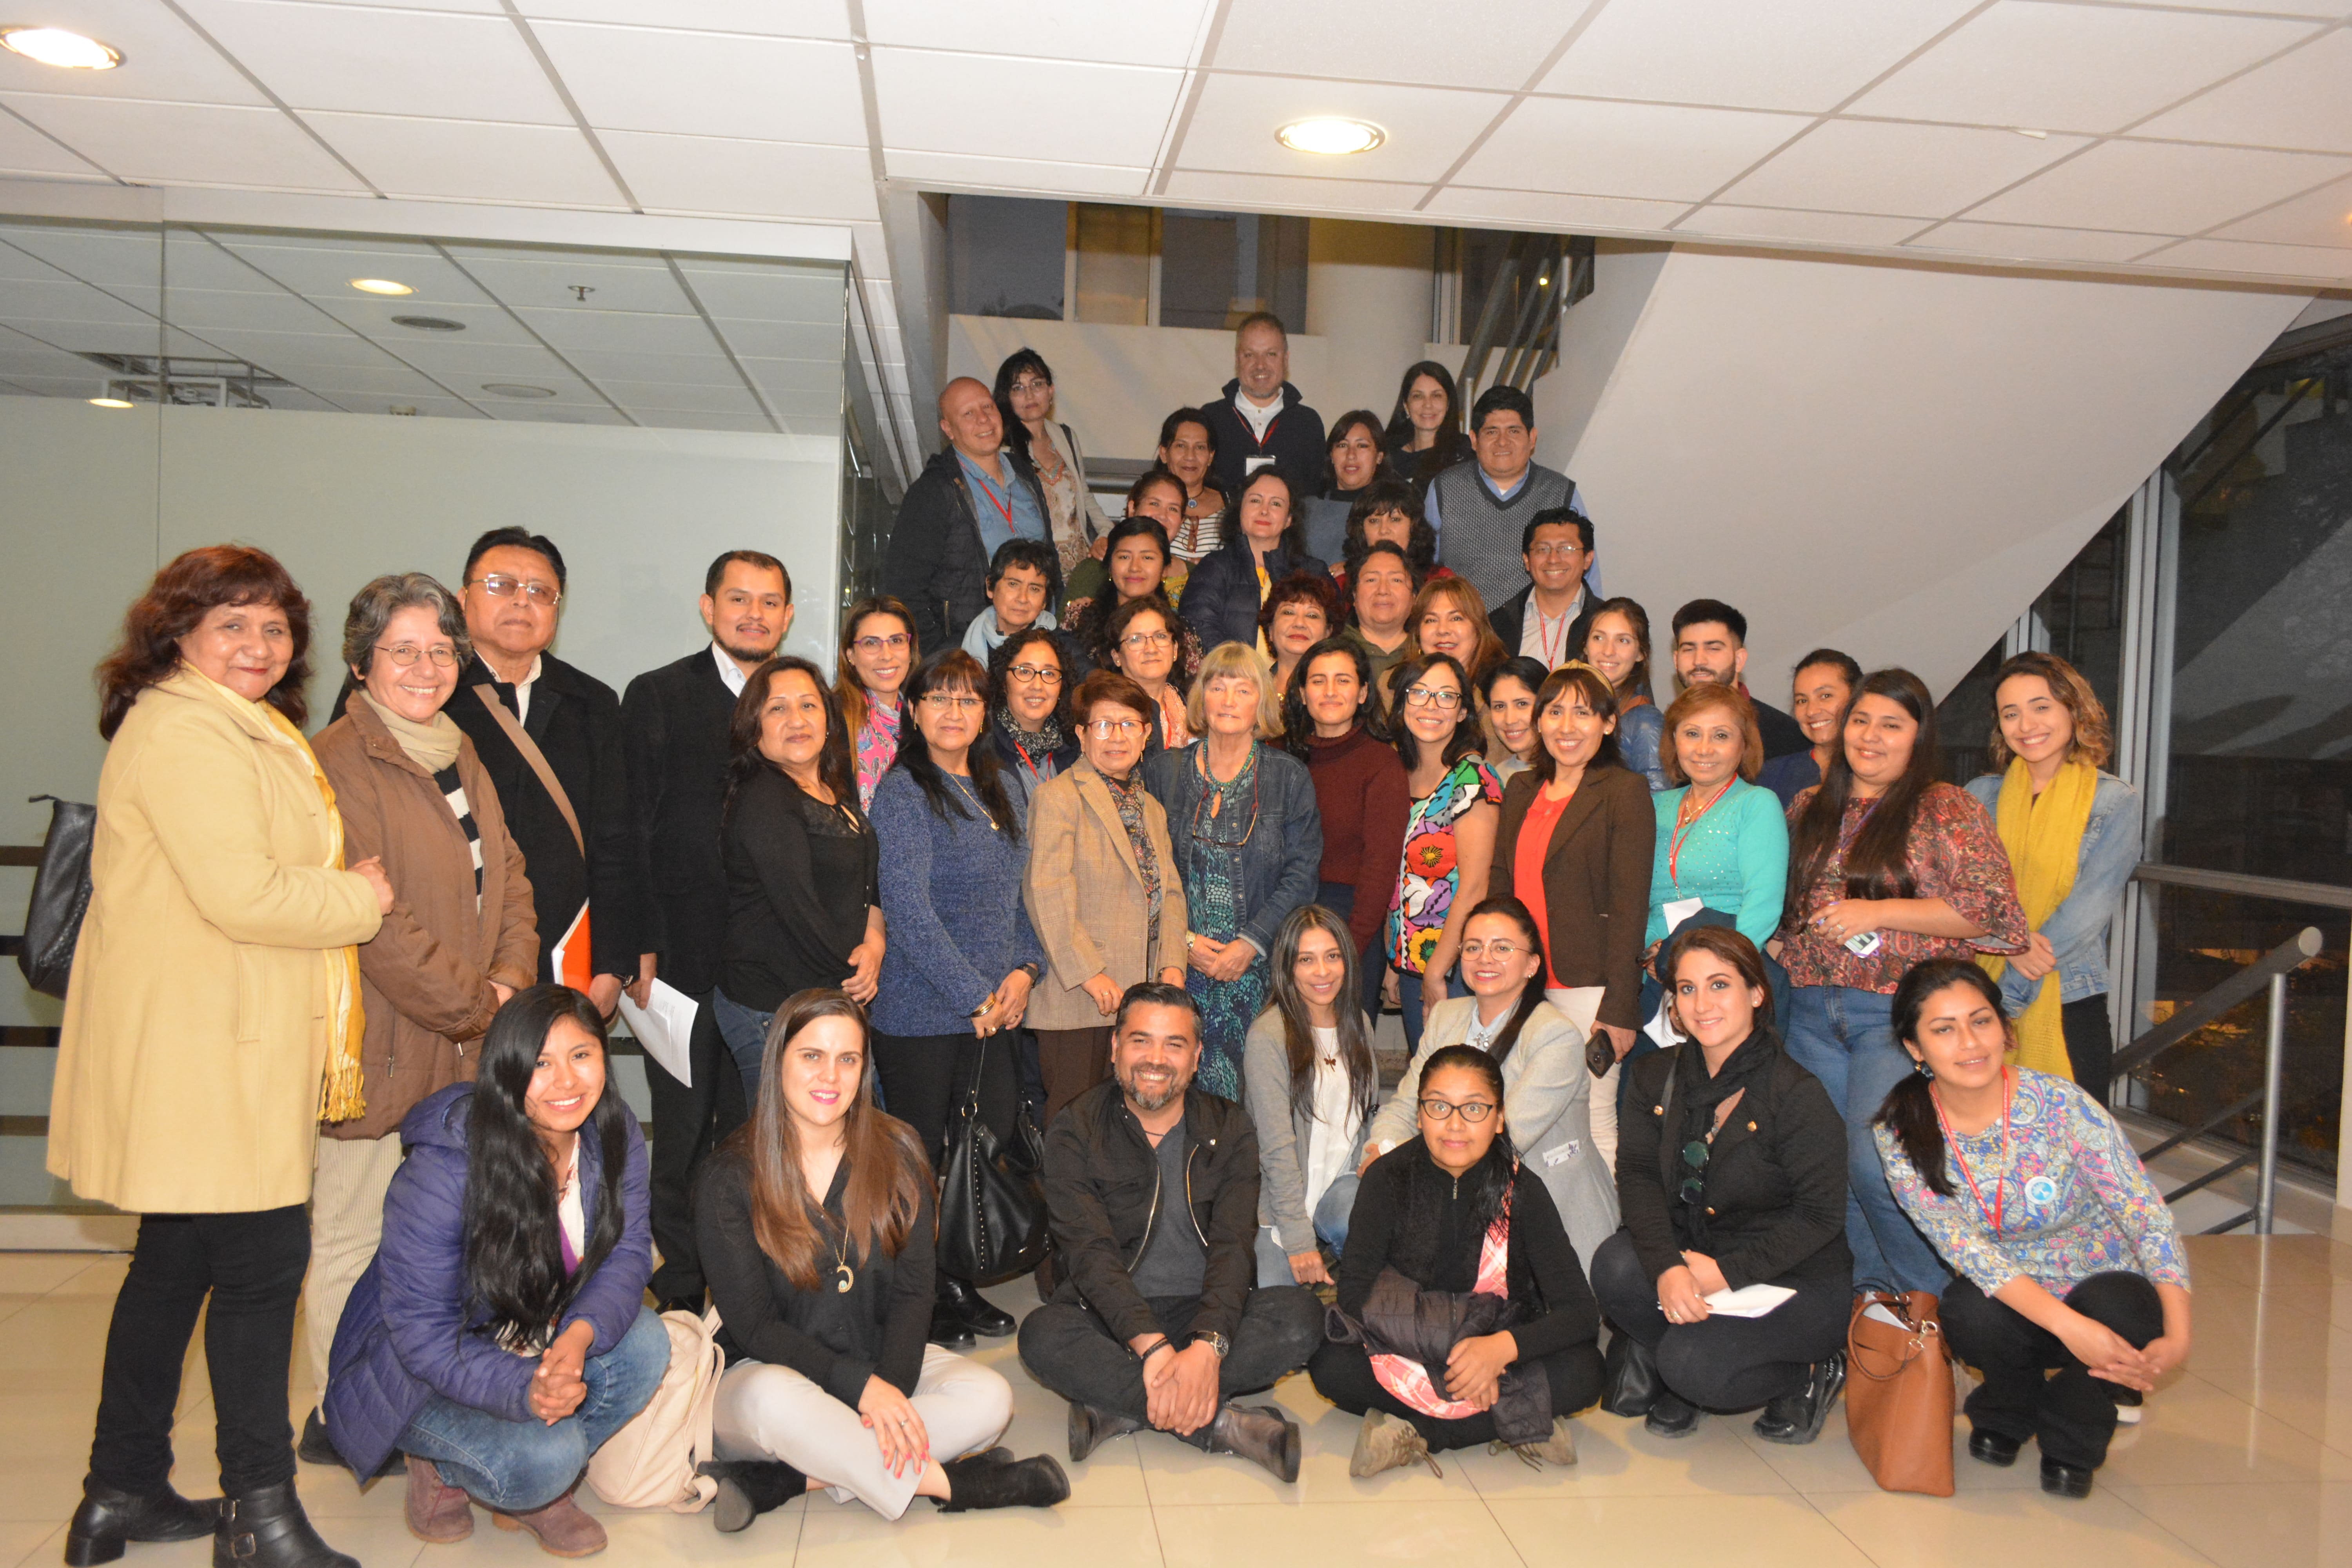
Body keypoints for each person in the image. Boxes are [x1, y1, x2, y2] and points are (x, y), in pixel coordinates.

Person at [51, 546, 389, 1568]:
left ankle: (120, 1491)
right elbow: (244, 892)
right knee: (260, 1273)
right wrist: (360, 897)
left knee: (172, 1268)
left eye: (273, 626)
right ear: (179, 634)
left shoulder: (233, 722)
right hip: (207, 1052)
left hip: (214, 1042)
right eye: (231, 623)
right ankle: (259, 1512)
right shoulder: (186, 730)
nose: (257, 643)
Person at [304, 573, 539, 1458]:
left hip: (465, 1039)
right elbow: (378, 926)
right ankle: (339, 1417)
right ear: (361, 662)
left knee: (441, 1243)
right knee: (354, 1234)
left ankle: (418, 1407)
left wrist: (511, 979)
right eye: (403, 650)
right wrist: (480, 1006)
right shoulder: (337, 760)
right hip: (380, 1045)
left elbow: (510, 875)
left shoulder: (456, 748)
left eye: (441, 650)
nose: (425, 667)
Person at [697, 991, 1069, 1526]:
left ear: (864, 1069)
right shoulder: (730, 1175)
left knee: (990, 1398)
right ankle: (958, 1484)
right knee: (771, 1401)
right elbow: (754, 1328)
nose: (830, 1076)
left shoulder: (898, 1152)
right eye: (812, 1056)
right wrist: (862, 1390)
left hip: (873, 1362)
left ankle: (788, 1478)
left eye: (848, 1059)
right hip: (767, 1376)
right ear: (778, 1060)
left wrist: (886, 1388)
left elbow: (915, 1293)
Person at [323, 987, 664, 1558]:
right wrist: (525, 1390)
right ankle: (444, 1465)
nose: (567, 1081)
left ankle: (536, 1491)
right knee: (548, 1458)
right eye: (540, 1063)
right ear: (506, 1070)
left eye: (581, 1055)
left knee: (647, 1344)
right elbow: (421, 1333)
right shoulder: (447, 1165)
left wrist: (578, 1337)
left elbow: (629, 1252)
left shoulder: (612, 1130)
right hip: (421, 1371)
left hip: (533, 1336)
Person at [1875, 959, 2191, 1499]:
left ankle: (2073, 1434)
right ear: (1915, 1048)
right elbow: (1968, 1252)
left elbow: (2146, 1215)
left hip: (2100, 1282)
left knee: (2130, 1306)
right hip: (2010, 1294)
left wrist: (2178, 1337)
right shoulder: (1901, 1131)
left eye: (1981, 1021)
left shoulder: (2062, 1105)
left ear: (2006, 1029)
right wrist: (2069, 1328)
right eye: (1944, 1029)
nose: (1969, 1042)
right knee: (1967, 1309)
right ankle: (2010, 1405)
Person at [1779, 668, 2029, 1296]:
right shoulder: (1809, 806)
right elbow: (1788, 907)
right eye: (1861, 720)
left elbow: (1991, 910)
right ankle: (1874, 1307)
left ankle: (1935, 1305)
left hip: (1895, 1017)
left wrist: (1878, 912)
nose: (1870, 736)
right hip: (1810, 1016)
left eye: (1891, 725)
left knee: (1880, 1170)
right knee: (1830, 1174)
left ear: (1918, 737)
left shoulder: (1946, 807)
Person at [1018, 983, 1324, 1481]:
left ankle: (1119, 1408)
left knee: (1302, 1317)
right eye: (1140, 1041)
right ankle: (1222, 1424)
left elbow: (1232, 1248)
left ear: (1197, 1056)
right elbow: (1089, 1254)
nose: (1155, 1059)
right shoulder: (1076, 1127)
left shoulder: (1230, 1126)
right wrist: (1155, 1347)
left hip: (1202, 1308)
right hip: (1110, 1317)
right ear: (1115, 1047)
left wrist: (1207, 1345)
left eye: (1174, 1044)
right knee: (1041, 1335)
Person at [1592, 928, 1853, 1444]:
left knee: (1696, 1368)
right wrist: (1668, 1267)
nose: (1701, 1004)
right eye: (1687, 989)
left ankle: (1807, 1372)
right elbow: (1639, 1177)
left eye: (1719, 985)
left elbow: (1821, 1217)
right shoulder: (1653, 1076)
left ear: (1756, 993)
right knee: (1615, 1267)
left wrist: (1726, 1274)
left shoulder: (1796, 1093)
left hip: (1788, 1273)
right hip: (1697, 1254)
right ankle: (1679, 1356)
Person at [617, 550, 785, 1312]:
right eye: (739, 599)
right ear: (708, 606)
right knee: (683, 1135)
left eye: (769, 601)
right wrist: (639, 940)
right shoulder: (658, 695)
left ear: (787, 615)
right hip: (678, 962)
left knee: (754, 1137)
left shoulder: (798, 701)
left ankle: (743, 1295)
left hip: (768, 963)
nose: (754, 614)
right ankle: (682, 1292)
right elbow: (632, 827)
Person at [1312, 1044, 1602, 1477]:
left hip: (1497, 1348)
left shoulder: (1524, 1191)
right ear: (1419, 1115)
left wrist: (1498, 1352)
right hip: (1407, 1343)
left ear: (1499, 1118)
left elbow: (1580, 1312)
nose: (1455, 1124)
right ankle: (1517, 1420)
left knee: (1588, 1371)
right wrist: (1458, 1357)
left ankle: (1422, 1431)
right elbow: (1355, 1294)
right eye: (1439, 1106)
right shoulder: (1387, 1179)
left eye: (1474, 1109)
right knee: (1329, 1363)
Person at [868, 649, 1043, 1348]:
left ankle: (955, 1277)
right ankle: (920, 1295)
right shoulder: (903, 793)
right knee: (917, 1164)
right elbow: (907, 910)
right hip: (921, 1013)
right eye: (938, 698)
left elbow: (1020, 895)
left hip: (994, 1013)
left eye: (968, 699)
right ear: (913, 712)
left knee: (979, 1147)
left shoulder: (1003, 785)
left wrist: (1025, 969)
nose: (953, 711)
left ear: (984, 713)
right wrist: (975, 996)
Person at [450, 527, 650, 1019]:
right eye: (501, 585)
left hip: (562, 954)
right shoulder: (426, 691)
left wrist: (612, 962)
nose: (522, 601)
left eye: (541, 592)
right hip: (451, 949)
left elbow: (615, 839)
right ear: (462, 599)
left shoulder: (592, 702)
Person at [1363, 898, 1618, 1273]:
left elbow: (1502, 1140)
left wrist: (1401, 1173)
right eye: (1473, 947)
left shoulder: (1555, 1036)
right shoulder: (1445, 1018)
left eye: (1502, 948)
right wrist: (1380, 1151)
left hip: (1547, 1215)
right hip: (1457, 1195)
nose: (1485, 958)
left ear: (1532, 964)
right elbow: (1405, 1105)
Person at [1488, 663, 1655, 1169]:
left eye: (1583, 713)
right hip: (1522, 984)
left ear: (1608, 723)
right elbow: (1501, 887)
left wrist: (1620, 1006)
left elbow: (1630, 905)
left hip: (1589, 987)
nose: (1567, 726)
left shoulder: (1624, 791)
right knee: (1521, 1119)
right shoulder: (1521, 788)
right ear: (1539, 721)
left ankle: (1606, 1222)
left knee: (1593, 1121)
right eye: (1555, 711)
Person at [1144, 642, 1323, 1098]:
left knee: (1251, 1098)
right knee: (1174, 1093)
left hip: (1258, 970)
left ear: (1261, 702)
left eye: (1243, 689)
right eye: (1217, 687)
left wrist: (1250, 943)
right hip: (1177, 966)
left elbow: (1302, 874)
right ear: (1200, 697)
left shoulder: (1288, 777)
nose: (1228, 700)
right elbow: (1144, 870)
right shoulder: (1163, 772)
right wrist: (1183, 941)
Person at [1965, 653, 2141, 1102]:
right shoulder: (1979, 796)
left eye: (2041, 707)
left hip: (2069, 999)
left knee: (2071, 1136)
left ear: (2073, 708)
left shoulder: (2114, 801)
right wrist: (2012, 942)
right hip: (1974, 994)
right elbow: (1956, 894)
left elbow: (2086, 915)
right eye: (2011, 713)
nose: (2026, 724)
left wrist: (2004, 999)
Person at [1022, 671, 1192, 1126]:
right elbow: (1046, 891)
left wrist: (1173, 964)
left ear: (1146, 733)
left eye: (1129, 724)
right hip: (1080, 998)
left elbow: (1170, 892)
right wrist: (1089, 973)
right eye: (1102, 725)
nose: (1117, 736)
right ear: (1081, 734)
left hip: (1141, 999)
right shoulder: (1057, 797)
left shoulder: (1150, 807)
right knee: (1076, 1126)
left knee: (1128, 1127)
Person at [716, 656, 885, 1102]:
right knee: (791, 1140)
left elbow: (868, 886)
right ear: (755, 727)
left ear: (828, 720)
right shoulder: (766, 798)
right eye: (778, 708)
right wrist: (855, 974)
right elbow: (800, 910)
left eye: (809, 705)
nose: (797, 720)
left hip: (825, 996)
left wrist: (875, 945)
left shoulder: (833, 788)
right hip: (772, 1006)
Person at [1242, 906, 1379, 1287]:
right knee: (1280, 1312)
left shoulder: (1360, 1024)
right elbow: (1276, 1149)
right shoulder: (1268, 1036)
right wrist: (1298, 1241)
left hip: (1341, 1181)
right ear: (1287, 968)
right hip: (1283, 1199)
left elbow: (1368, 1116)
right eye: (1307, 960)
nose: (1323, 972)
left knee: (1378, 1246)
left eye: (1332, 956)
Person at [1383, 652, 1503, 1051]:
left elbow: (1475, 886)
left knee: (1453, 1075)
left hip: (1456, 968)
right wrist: (1396, 959)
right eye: (1419, 693)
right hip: (1411, 962)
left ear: (1463, 711)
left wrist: (1437, 970)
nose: (1431, 706)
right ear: (1402, 703)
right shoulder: (1398, 772)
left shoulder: (1472, 777)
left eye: (1446, 696)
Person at [881, 376, 1051, 653]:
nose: (983, 419)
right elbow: (903, 588)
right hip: (967, 653)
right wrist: (942, 655)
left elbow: (1050, 562)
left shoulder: (1026, 475)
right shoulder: (933, 491)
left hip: (1034, 648)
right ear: (948, 429)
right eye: (968, 414)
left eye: (988, 407)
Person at [1643, 682, 1788, 1005]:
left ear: (1744, 744)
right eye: (1692, 734)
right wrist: (1652, 952)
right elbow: (1638, 899)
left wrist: (1716, 971)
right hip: (1656, 976)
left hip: (1729, 975)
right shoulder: (1654, 806)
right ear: (1674, 740)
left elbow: (1763, 903)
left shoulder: (1756, 803)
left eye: (1721, 736)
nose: (1704, 749)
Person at [1282, 637, 1409, 980]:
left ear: (1363, 693)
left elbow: (1380, 869)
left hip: (1349, 926)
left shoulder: (1381, 764)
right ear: (1302, 693)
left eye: (1343, 680)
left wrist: (1349, 950)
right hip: (1280, 922)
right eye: (1318, 681)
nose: (1330, 692)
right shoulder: (1277, 757)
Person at [1425, 385, 1581, 613]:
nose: (1503, 442)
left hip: (1538, 629)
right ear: (1474, 440)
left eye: (1514, 431)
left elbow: (1584, 573)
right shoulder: (1444, 488)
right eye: (1492, 432)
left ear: (1532, 438)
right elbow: (1426, 568)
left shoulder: (1562, 491)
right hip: (1461, 627)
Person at [1180, 468, 1329, 655]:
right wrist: (1238, 669)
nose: (1264, 511)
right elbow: (1198, 626)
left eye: (1276, 504)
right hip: (1229, 673)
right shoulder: (1213, 568)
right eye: (1255, 501)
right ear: (1240, 510)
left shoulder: (1314, 572)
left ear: (1289, 520)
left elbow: (1333, 635)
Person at [996, 347, 1111, 581]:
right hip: (1035, 571)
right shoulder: (1002, 449)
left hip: (1082, 566)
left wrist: (1107, 532)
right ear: (1007, 398)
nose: (1030, 395)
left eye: (1037, 385)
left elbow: (1083, 495)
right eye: (1018, 388)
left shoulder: (1066, 437)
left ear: (1051, 391)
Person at [1201, 311, 1329, 499]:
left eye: (1271, 354)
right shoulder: (1210, 419)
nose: (1260, 365)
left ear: (1286, 360)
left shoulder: (1308, 423)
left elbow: (1315, 496)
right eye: (1250, 355)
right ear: (1237, 360)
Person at [1063, 517, 1204, 685]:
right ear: (1110, 566)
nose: (1135, 568)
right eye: (1124, 557)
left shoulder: (1181, 633)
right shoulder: (1079, 619)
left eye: (1147, 558)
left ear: (1165, 569)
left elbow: (1195, 694)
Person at [1670, 599, 1807, 760]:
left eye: (1713, 649)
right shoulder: (1664, 729)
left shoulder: (1783, 735)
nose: (1699, 661)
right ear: (1676, 660)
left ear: (1739, 660)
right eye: (1689, 649)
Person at [985, 624, 1080, 816]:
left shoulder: (1077, 750)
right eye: (1025, 672)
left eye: (1049, 674)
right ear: (1004, 682)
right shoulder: (983, 749)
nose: (1038, 686)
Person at [1490, 508, 1600, 670]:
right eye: (1542, 549)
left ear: (1588, 559)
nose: (1553, 559)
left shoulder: (1607, 622)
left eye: (1566, 549)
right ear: (1527, 560)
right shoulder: (1496, 626)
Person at [838, 596, 916, 808]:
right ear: (851, 655)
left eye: (896, 641)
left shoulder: (925, 718)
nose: (886, 655)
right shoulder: (832, 718)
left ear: (911, 651)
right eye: (871, 643)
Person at [1583, 596, 1668, 791]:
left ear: (1641, 653)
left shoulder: (1646, 722)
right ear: (1585, 646)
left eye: (1623, 641)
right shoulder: (1572, 709)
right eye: (1599, 638)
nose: (1608, 651)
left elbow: (1659, 801)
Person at [1759, 648, 1860, 809]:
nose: (1812, 711)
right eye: (1802, 701)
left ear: (1857, 697)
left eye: (1826, 696)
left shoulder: (1878, 769)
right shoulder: (1773, 775)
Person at [1104, 594, 1194, 753]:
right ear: (1116, 656)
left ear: (1175, 650)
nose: (1151, 649)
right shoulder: (1108, 712)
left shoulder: (1190, 704)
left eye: (1160, 637)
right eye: (1136, 640)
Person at [1382, 359, 1474, 502]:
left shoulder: (1464, 457)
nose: (1428, 405)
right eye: (1418, 396)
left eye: (1436, 395)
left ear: (1448, 404)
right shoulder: (1385, 457)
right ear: (1406, 405)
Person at [1301, 408, 1385, 565]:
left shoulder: (1392, 510)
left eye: (1362, 446)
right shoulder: (1307, 509)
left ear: (1379, 457)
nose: (1351, 455)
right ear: (1332, 455)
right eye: (1342, 445)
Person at [959, 537, 1061, 660]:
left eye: (1034, 589)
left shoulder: (1062, 649)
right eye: (1013, 584)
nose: (1023, 599)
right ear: (990, 587)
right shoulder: (962, 647)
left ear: (1045, 601)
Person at [1335, 479, 1444, 593]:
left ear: (1414, 526)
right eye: (1374, 521)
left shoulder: (1440, 582)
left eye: (1395, 519)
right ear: (1361, 529)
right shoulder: (1341, 586)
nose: (1384, 530)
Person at [1344, 538, 1418, 702]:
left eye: (1396, 580)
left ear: (1414, 597)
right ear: (1354, 595)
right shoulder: (1333, 651)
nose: (1383, 590)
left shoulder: (1427, 652)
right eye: (1372, 580)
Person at [1157, 407, 1228, 573]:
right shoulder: (1146, 503)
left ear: (1211, 457)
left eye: (1200, 448)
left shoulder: (1231, 505)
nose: (1190, 456)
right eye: (1181, 446)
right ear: (1164, 453)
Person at [1406, 574, 1508, 688]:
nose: (1442, 630)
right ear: (1418, 633)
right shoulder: (1398, 685)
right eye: (1431, 620)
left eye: (1456, 619)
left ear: (1478, 629)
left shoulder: (1502, 687)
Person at [1259, 568, 1341, 693]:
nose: (1299, 623)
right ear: (1270, 630)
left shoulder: (1338, 693)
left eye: (1312, 615)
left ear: (1328, 632)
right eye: (1289, 613)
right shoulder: (1251, 691)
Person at [1482, 655, 1547, 787]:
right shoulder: (1497, 777)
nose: (1510, 720)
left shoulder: (1568, 773)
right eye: (1500, 706)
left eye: (1522, 704)